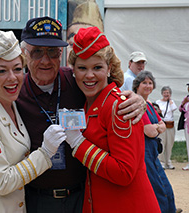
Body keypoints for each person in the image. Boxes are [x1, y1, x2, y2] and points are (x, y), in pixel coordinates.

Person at [17, 16, 147, 213]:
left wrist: (138, 101)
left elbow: (106, 89)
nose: (45, 60)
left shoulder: (77, 81)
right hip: (37, 199)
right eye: (36, 52)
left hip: (82, 197)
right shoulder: (14, 91)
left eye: (52, 52)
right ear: (24, 53)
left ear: (61, 53)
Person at [0, 30, 65, 212]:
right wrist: (45, 152)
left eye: (17, 69)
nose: (12, 78)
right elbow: (2, 182)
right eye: (2, 71)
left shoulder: (11, 104)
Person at [63, 26, 160, 212]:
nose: (89, 75)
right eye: (82, 68)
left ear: (109, 68)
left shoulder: (119, 107)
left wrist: (78, 144)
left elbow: (124, 172)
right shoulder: (91, 102)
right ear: (73, 70)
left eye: (97, 67)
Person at [133, 71, 176, 213]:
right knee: (157, 189)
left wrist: (156, 127)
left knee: (166, 188)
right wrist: (158, 127)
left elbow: (161, 126)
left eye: (150, 83)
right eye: (144, 82)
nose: (148, 85)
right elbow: (150, 131)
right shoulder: (138, 104)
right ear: (137, 86)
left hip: (152, 153)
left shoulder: (150, 104)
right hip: (143, 154)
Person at [156, 86, 177, 169]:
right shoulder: (158, 102)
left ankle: (168, 161)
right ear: (162, 93)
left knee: (169, 144)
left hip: (170, 125)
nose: (166, 94)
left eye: (168, 93)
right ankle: (161, 162)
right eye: (165, 93)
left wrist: (170, 101)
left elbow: (174, 108)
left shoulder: (171, 102)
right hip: (162, 124)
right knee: (162, 143)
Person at [179, 83, 189, 170]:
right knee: (188, 143)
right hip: (187, 124)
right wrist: (183, 103)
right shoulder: (186, 98)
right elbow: (180, 109)